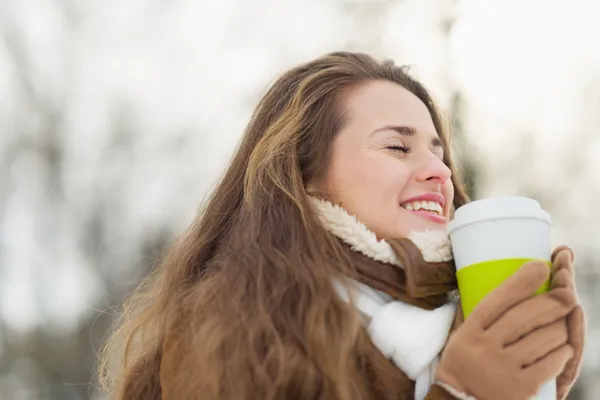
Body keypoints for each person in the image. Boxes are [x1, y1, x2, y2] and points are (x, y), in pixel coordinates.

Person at [98, 52, 585, 400]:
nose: (441, 173)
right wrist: (461, 392)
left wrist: (537, 382)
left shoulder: (462, 320)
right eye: (398, 147)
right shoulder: (236, 324)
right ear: (304, 173)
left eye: (439, 152)